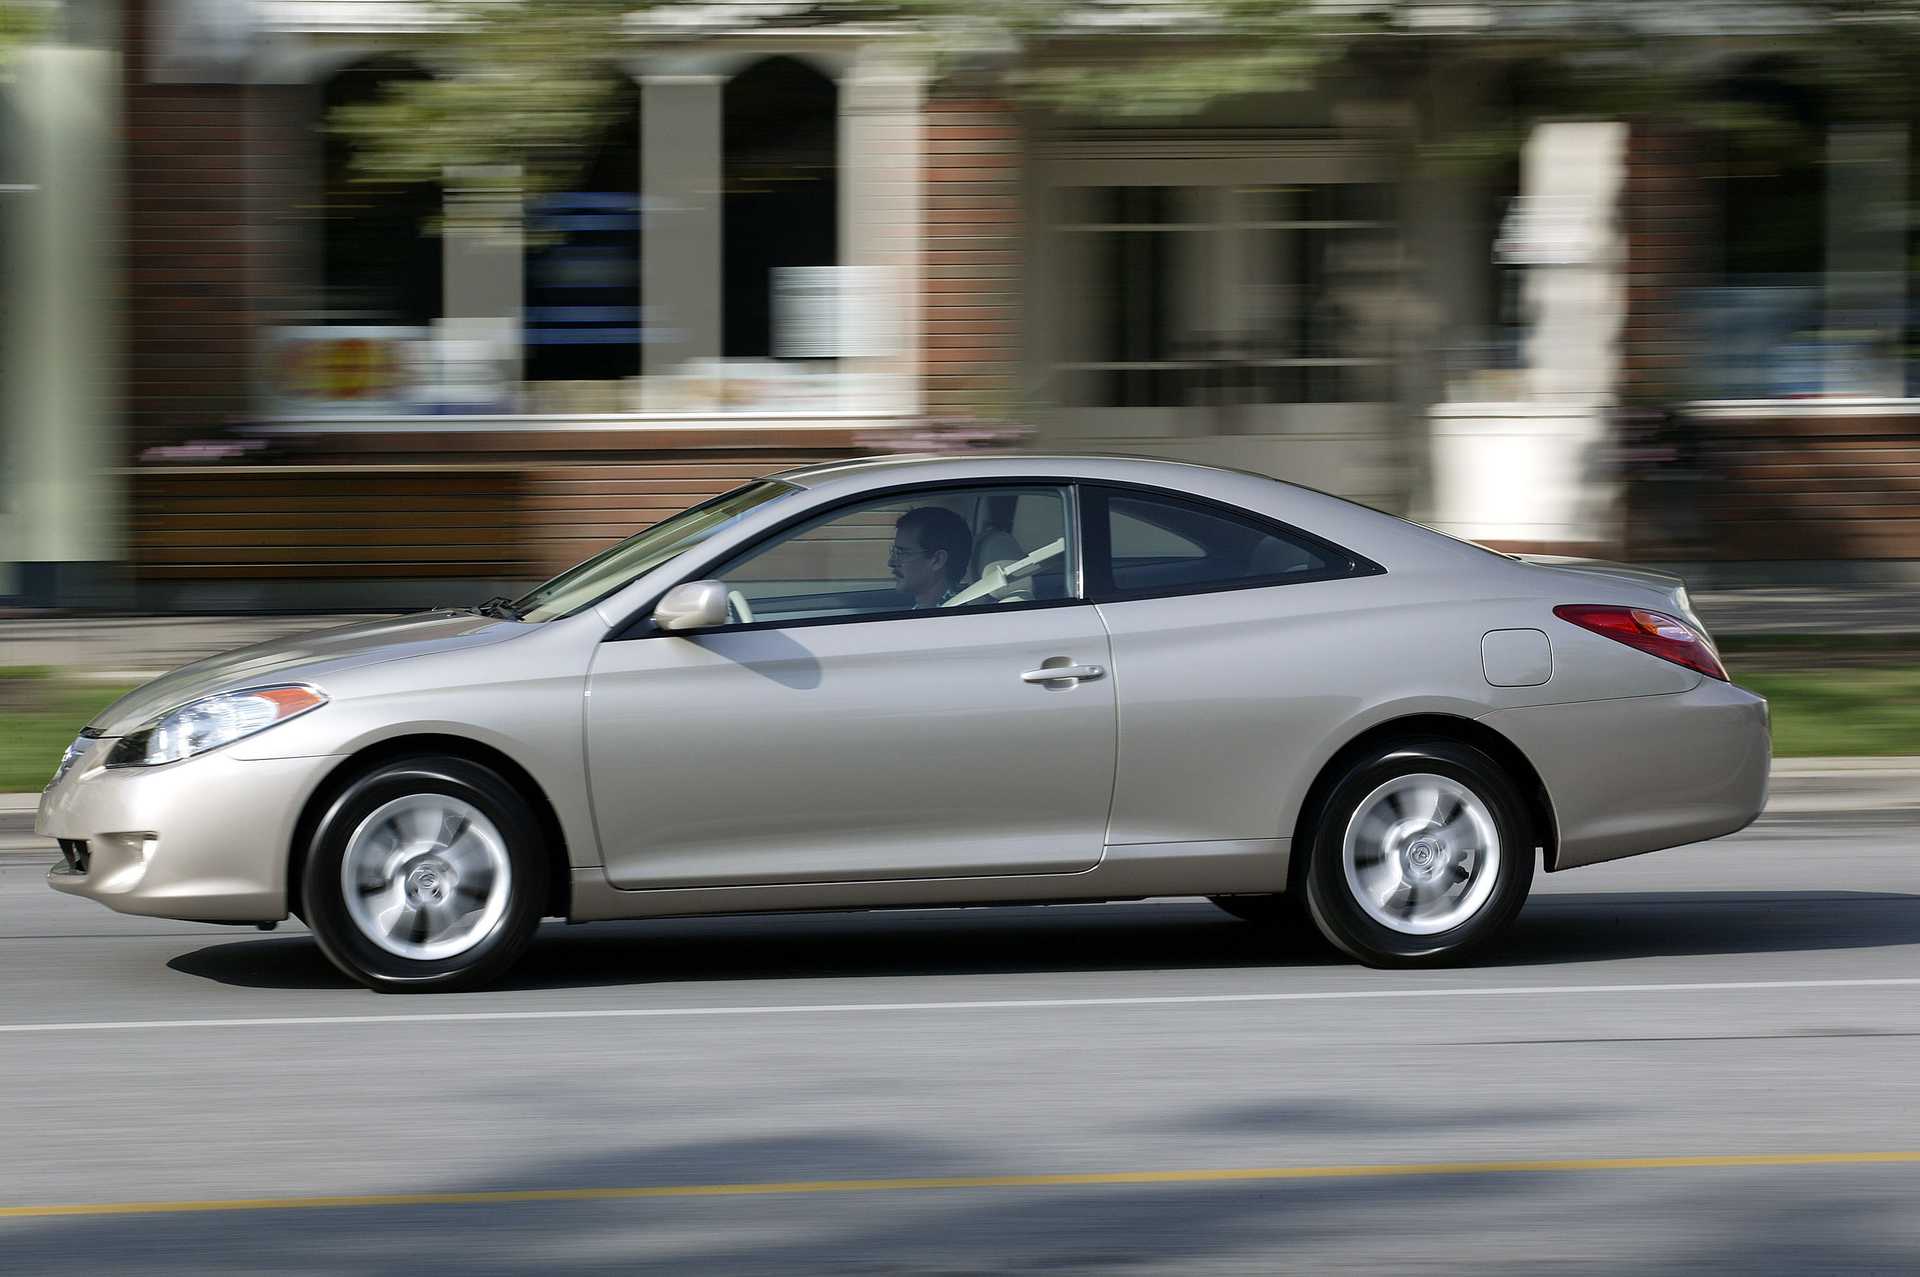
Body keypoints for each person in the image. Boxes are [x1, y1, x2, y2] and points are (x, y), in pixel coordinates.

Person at [889, 506, 973, 609]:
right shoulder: (931, 611)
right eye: (894, 552)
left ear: (937, 560)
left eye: (903, 553)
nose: (891, 562)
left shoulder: (948, 619)